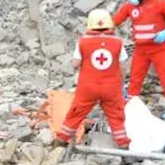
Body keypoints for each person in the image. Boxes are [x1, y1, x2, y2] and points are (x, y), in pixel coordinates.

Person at [113, 0, 165, 127]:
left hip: (159, 49)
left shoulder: (160, 3)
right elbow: (115, 21)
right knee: (135, 80)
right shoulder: (129, 6)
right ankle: (128, 110)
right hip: (141, 49)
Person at [55, 9, 131, 149]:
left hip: (88, 87)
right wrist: (121, 82)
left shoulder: (83, 42)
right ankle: (123, 143)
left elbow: (75, 64)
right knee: (116, 115)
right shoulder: (117, 42)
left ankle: (62, 139)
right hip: (111, 87)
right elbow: (123, 66)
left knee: (77, 112)